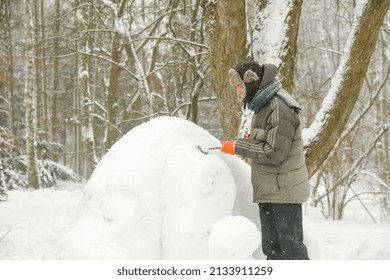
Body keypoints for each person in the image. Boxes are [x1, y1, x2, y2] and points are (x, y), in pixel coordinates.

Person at [220, 59, 310, 260]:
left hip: (283, 192)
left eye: (240, 87)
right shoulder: (264, 106)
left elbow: (275, 152)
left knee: (292, 252)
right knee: (273, 251)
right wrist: (253, 140)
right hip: (271, 191)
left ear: (251, 84)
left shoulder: (278, 106)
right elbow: (270, 139)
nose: (238, 92)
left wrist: (237, 146)